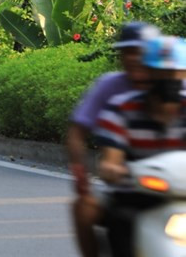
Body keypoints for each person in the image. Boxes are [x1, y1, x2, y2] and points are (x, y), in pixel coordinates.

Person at [67, 22, 160, 257]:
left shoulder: (176, 92)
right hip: (127, 187)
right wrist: (81, 172)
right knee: (83, 209)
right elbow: (79, 132)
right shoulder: (117, 104)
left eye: (140, 52)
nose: (134, 58)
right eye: (128, 52)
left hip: (174, 187)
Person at [94, 35, 186, 247]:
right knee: (120, 223)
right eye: (162, 72)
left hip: (182, 197)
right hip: (136, 198)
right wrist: (112, 169)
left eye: (175, 72)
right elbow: (111, 160)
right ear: (148, 72)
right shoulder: (121, 109)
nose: (170, 78)